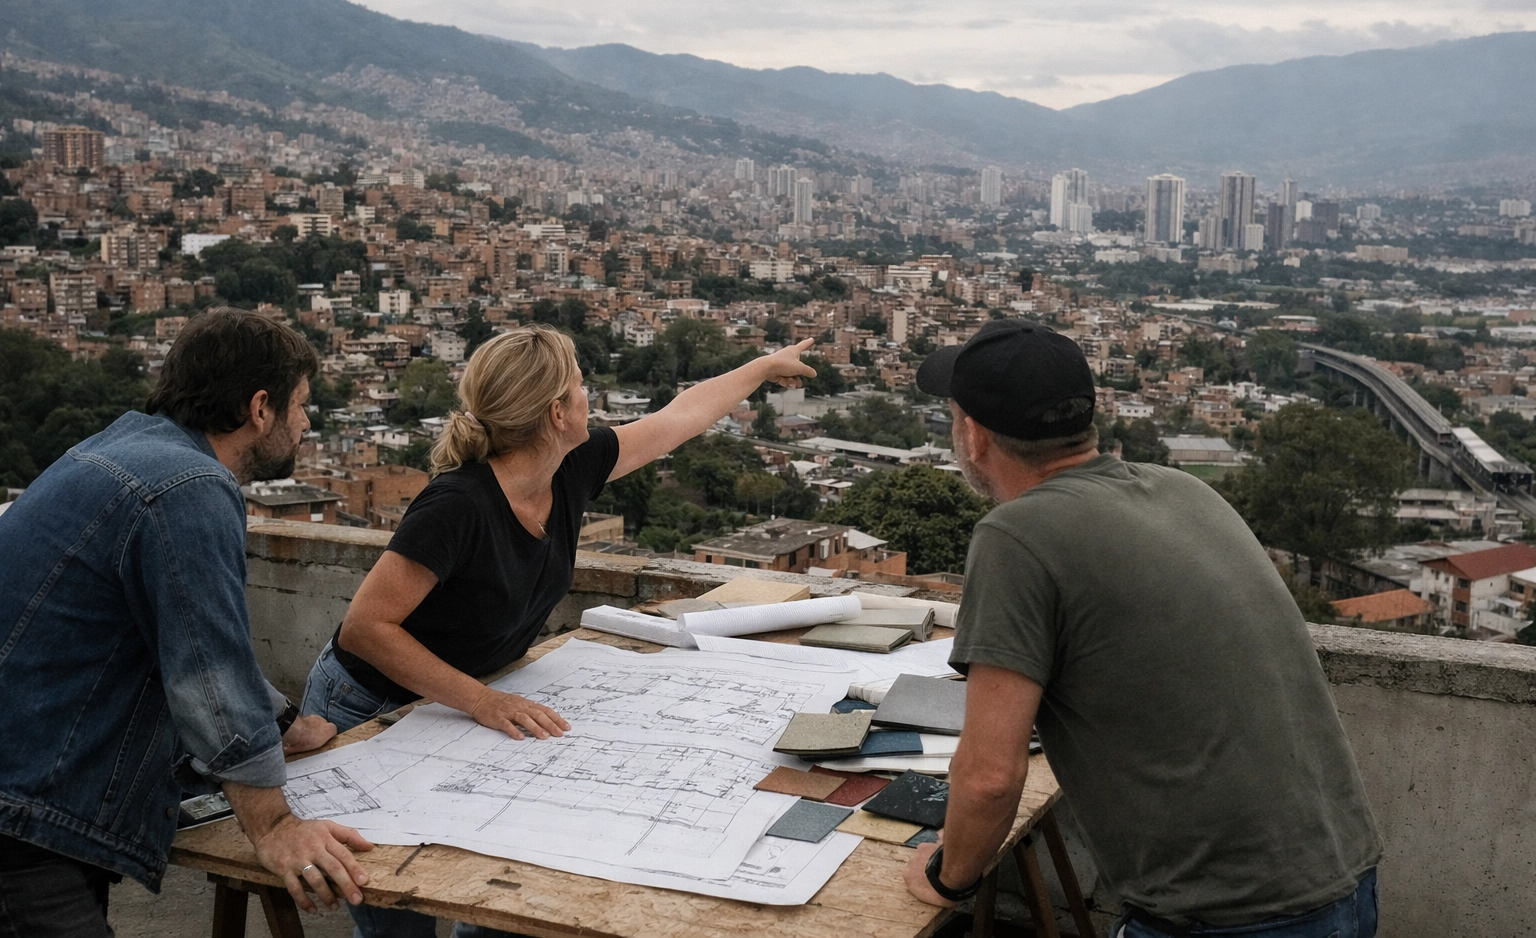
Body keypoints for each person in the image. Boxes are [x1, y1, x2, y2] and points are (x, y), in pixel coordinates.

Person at [300, 324, 816, 937]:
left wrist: (760, 368)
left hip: (463, 702)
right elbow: (366, 629)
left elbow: (680, 417)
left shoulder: (571, 468)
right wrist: (484, 700)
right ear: (555, 413)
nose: (588, 396)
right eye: (579, 386)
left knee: (484, 890)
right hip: (370, 702)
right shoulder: (457, 506)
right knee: (398, 916)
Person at [902, 319, 1382, 938]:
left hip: (1227, 917)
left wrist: (948, 878)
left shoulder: (1016, 536)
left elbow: (992, 778)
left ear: (972, 436)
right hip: (1343, 883)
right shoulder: (1183, 490)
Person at [0, 309, 376, 937]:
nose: (307, 422)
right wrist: (275, 826)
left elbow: (182, 639)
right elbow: (209, 677)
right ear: (260, 407)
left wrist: (283, 724)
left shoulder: (123, 448)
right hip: (24, 816)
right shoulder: (189, 487)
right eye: (302, 405)